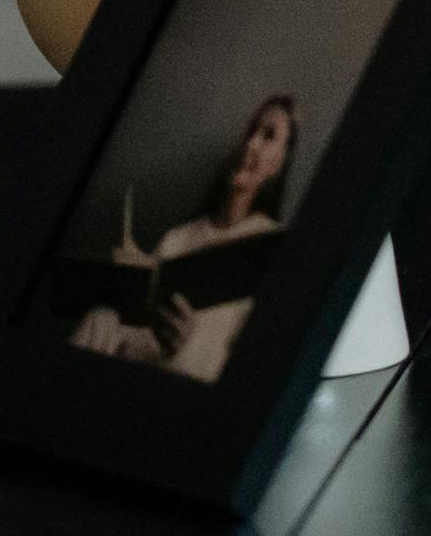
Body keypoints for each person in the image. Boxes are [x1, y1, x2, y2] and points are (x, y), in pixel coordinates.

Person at [65, 90, 304, 378]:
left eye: (268, 135)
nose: (251, 143)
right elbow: (137, 327)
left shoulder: (271, 247)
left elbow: (256, 363)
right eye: (251, 130)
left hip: (192, 385)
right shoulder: (177, 238)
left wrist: (184, 347)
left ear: (278, 163)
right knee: (100, 318)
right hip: (137, 360)